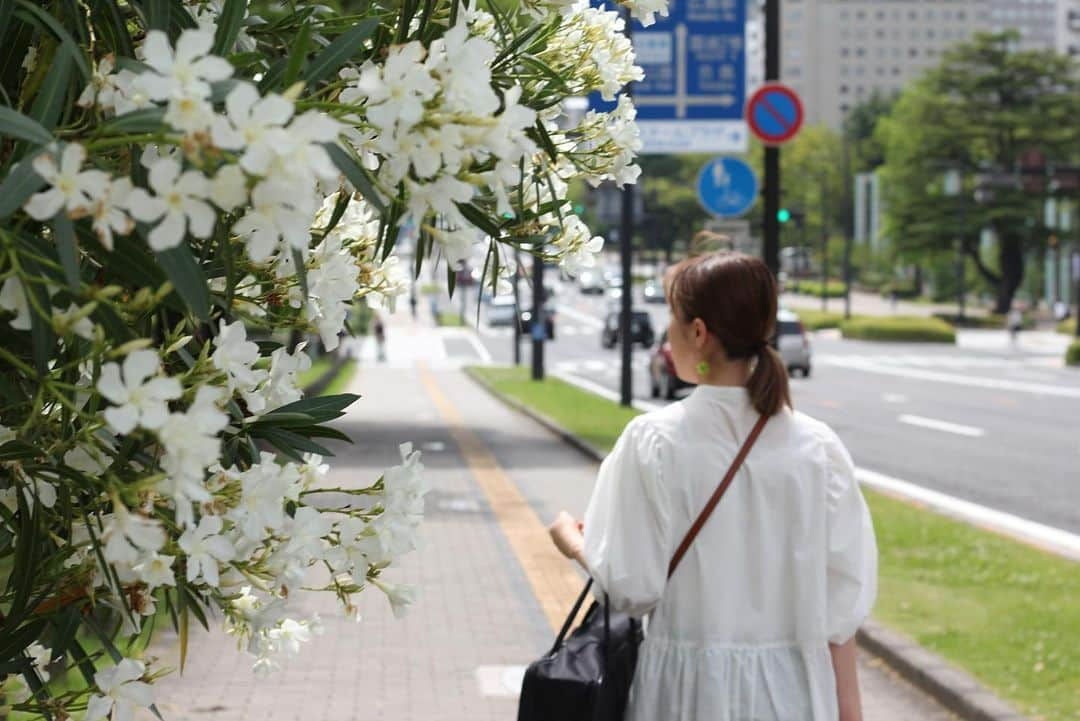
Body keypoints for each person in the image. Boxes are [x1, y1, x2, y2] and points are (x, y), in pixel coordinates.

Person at [549, 251, 877, 721]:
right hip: (797, 695)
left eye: (673, 322)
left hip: (686, 696)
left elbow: (629, 587)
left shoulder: (655, 442)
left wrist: (574, 543)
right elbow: (841, 610)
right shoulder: (818, 449)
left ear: (699, 333)